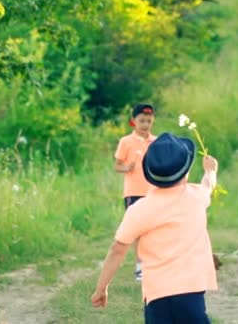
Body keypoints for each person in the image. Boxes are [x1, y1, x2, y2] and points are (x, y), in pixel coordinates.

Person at [93, 133, 219, 323]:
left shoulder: (139, 210)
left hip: (156, 295)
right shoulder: (196, 197)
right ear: (186, 172)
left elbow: (117, 250)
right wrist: (211, 171)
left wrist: (102, 287)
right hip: (191, 292)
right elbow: (208, 185)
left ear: (150, 174)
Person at [114, 103, 156, 281]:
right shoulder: (126, 141)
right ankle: (140, 268)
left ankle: (153, 265)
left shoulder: (155, 142)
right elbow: (117, 166)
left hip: (154, 192)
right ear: (133, 121)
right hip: (133, 192)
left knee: (153, 231)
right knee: (138, 231)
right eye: (141, 121)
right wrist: (127, 168)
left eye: (149, 121)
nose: (145, 125)